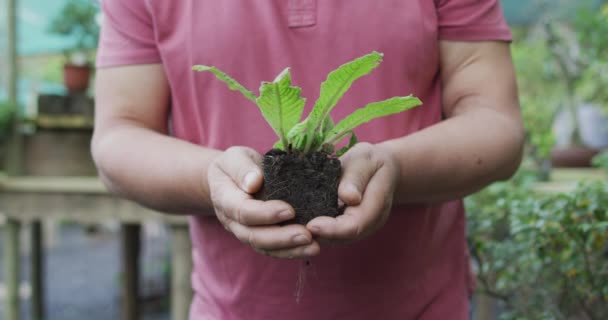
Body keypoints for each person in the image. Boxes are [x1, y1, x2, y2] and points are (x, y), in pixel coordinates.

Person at [93, 0, 523, 319]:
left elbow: (495, 123)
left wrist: (395, 165)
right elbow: (119, 136)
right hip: (230, 308)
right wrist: (214, 178)